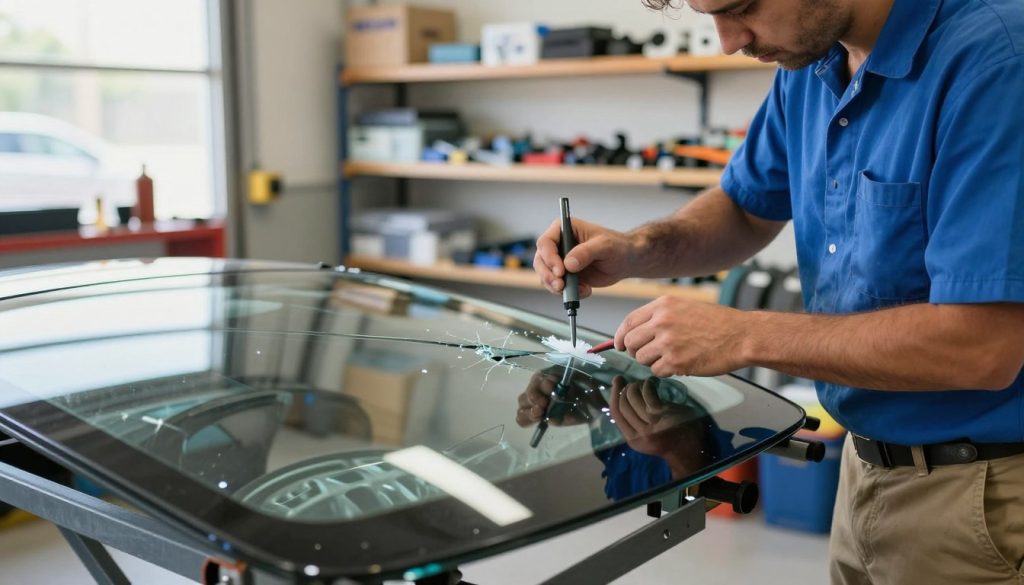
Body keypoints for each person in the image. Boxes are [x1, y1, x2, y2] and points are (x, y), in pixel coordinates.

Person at [531, 0, 1024, 582]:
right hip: (867, 470)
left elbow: (982, 347)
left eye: (739, 8)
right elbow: (744, 208)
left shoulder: (997, 60)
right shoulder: (814, 65)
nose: (727, 41)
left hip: (982, 493)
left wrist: (744, 334)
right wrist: (637, 248)